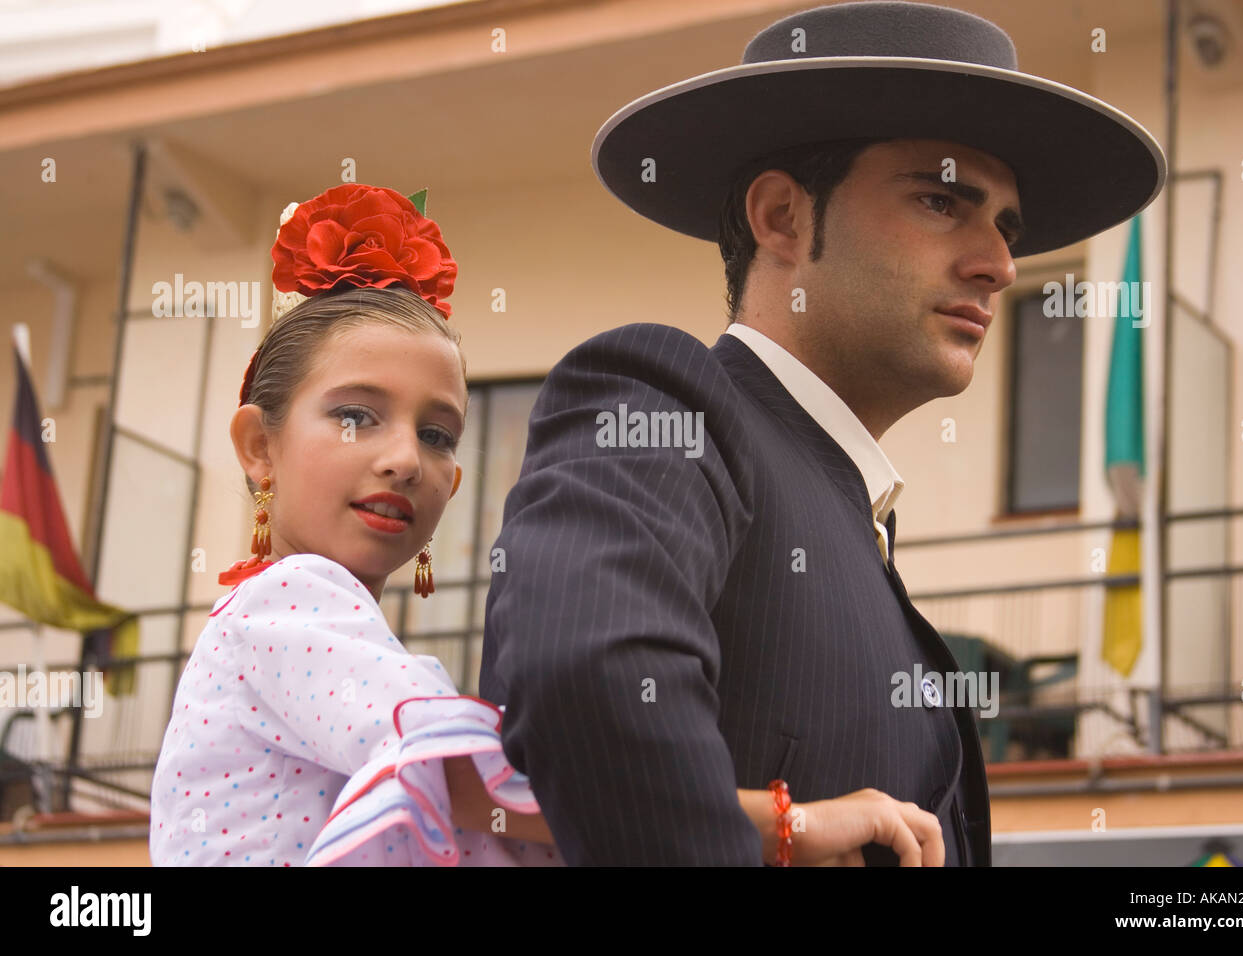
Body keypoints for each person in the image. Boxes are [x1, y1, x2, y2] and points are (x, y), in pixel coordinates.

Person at [479, 1, 1165, 865]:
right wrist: (779, 829)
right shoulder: (668, 395)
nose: (998, 265)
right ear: (783, 218)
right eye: (941, 199)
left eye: (1006, 227)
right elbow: (589, 679)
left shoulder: (854, 520)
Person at [149, 184, 557, 866]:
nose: (405, 460)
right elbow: (468, 780)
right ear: (260, 446)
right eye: (355, 416)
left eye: (436, 433)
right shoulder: (289, 602)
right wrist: (771, 821)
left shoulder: (285, 626)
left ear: (454, 484)